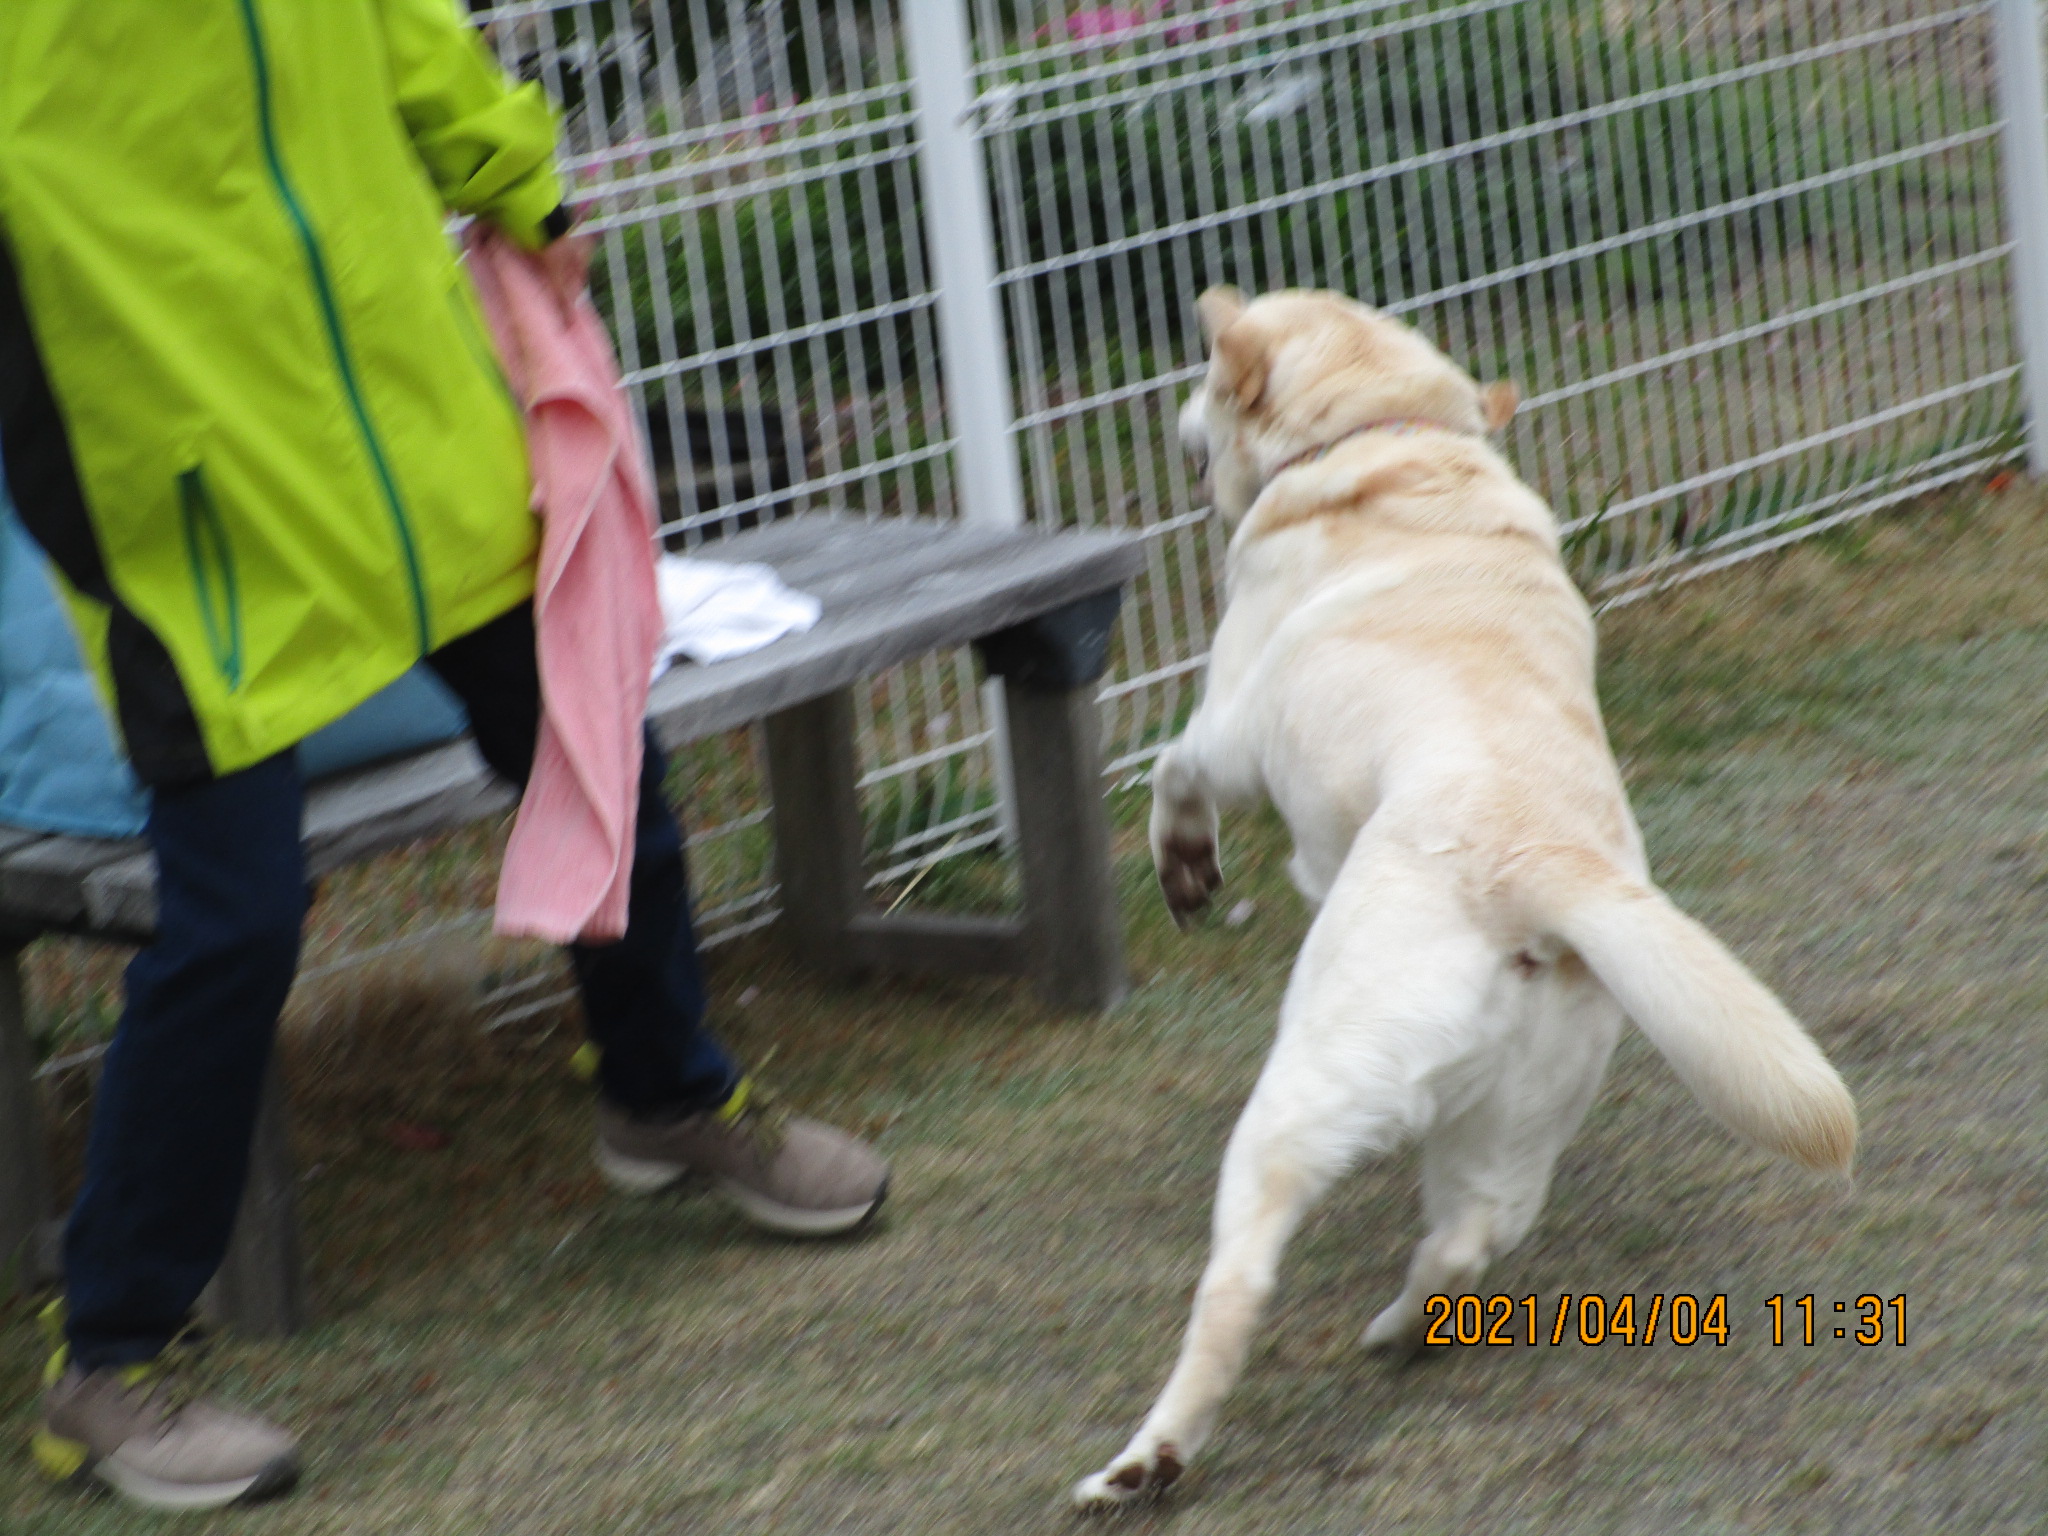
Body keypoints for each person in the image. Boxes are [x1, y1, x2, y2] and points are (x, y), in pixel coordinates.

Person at [0, 0, 887, 1511]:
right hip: (192, 517)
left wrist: (523, 186)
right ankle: (107, 1362)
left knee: (595, 743)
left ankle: (665, 1095)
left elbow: (412, 37)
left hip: (411, 447)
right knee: (234, 921)